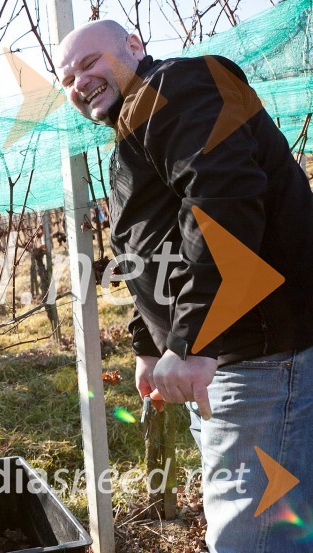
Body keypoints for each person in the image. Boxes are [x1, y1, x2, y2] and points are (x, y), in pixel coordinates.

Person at [57, 21, 313, 552]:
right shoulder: (141, 122)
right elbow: (152, 247)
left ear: (134, 46)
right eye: (67, 79)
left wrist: (192, 343)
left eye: (88, 63)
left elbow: (222, 202)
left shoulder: (175, 89)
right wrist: (150, 345)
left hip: (250, 358)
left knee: (255, 538)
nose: (79, 83)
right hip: (226, 358)